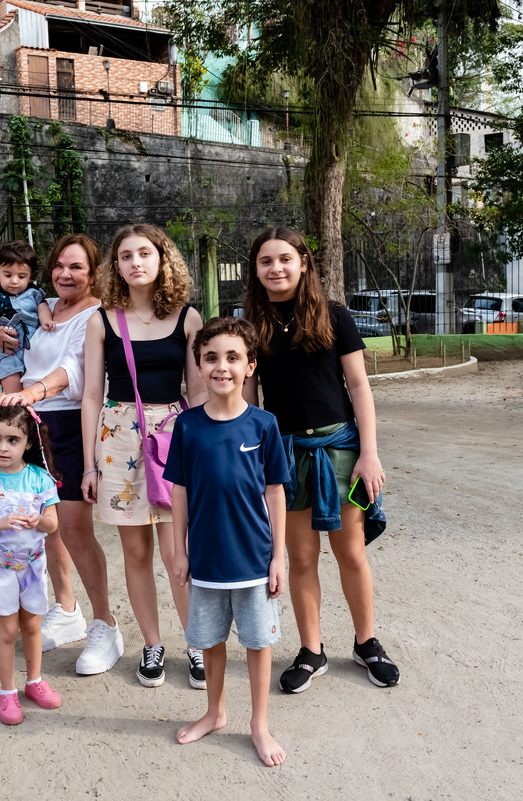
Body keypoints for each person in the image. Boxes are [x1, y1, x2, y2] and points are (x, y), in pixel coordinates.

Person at [241, 227, 400, 693]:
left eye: (285, 259)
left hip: (340, 449)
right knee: (302, 556)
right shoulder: (250, 325)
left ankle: (367, 643)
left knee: (350, 551)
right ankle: (312, 651)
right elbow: (249, 400)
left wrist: (369, 453)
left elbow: (358, 386)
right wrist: (251, 460)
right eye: (266, 261)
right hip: (285, 453)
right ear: (256, 269)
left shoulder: (334, 316)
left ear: (303, 262)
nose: (276, 268)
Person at [81, 224, 207, 689]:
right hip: (117, 439)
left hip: (173, 435)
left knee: (178, 552)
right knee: (136, 552)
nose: (136, 262)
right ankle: (152, 645)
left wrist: (204, 451)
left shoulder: (187, 318)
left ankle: (197, 644)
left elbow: (198, 391)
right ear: (115, 266)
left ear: (162, 258)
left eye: (145, 253)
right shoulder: (102, 320)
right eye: (126, 256)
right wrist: (90, 465)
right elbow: (91, 395)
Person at [0, 234, 123, 676]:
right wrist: (5, 338)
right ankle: (67, 610)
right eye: (59, 266)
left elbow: (73, 369)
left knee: (73, 529)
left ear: (94, 273)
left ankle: (106, 624)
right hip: (29, 424)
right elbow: (14, 343)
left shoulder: (97, 315)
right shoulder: (41, 306)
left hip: (68, 423)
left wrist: (32, 391)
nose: (65, 275)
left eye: (77, 267)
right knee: (45, 525)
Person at [166, 316, 289, 767]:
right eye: (211, 357)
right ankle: (214, 712)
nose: (222, 366)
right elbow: (179, 491)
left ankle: (259, 724)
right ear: (198, 366)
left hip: (254, 561)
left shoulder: (264, 425)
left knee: (257, 644)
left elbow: (275, 492)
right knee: (210, 641)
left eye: (233, 357)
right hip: (206, 562)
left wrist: (278, 557)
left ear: (250, 366)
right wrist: (180, 551)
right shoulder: (187, 426)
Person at [0, 405, 62, 725]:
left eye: (13, 440)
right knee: (6, 630)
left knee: (32, 625)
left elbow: (52, 524)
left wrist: (38, 520)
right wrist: (1, 522)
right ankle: (7, 691)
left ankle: (34, 681)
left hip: (32, 568)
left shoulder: (40, 479)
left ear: (29, 442)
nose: (3, 447)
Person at [0, 241, 54, 395]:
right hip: (8, 352)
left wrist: (46, 320)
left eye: (21, 276)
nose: (14, 281)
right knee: (14, 394)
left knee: (34, 390)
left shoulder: (34, 292)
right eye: (8, 275)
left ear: (31, 275)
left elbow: (42, 307)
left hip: (33, 348)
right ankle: (15, 407)